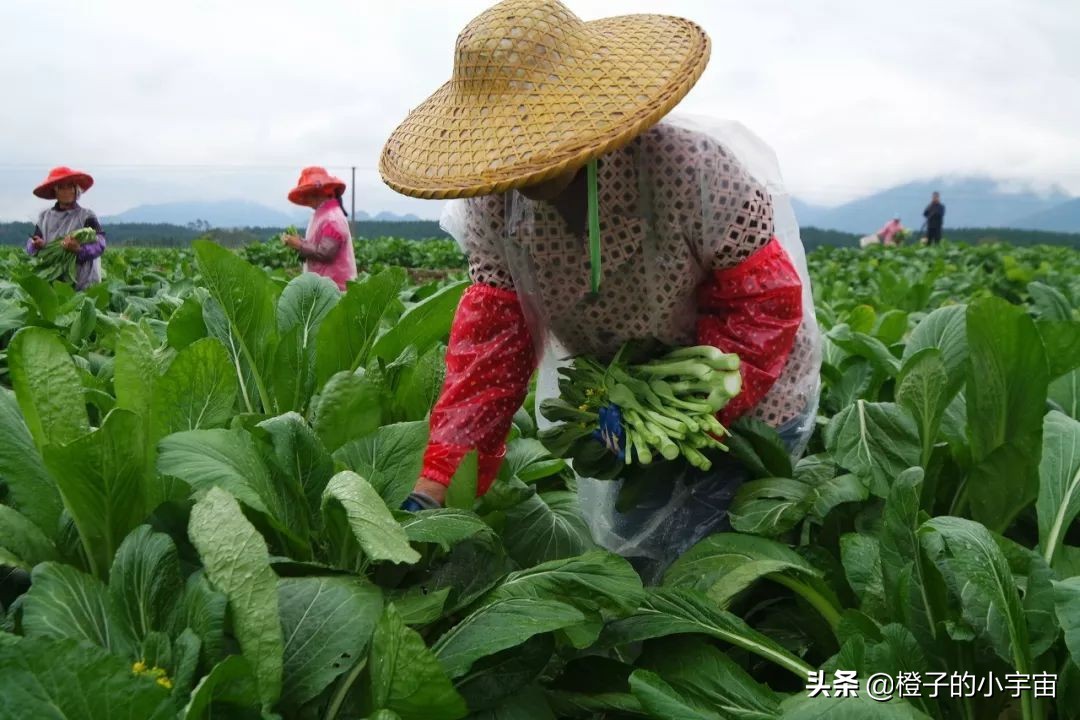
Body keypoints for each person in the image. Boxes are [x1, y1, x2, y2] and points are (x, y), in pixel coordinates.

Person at [381, 0, 821, 580]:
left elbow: (761, 302)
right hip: (619, 421)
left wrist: (679, 409)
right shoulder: (493, 204)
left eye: (537, 129)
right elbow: (491, 350)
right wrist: (438, 480)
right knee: (637, 568)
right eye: (506, 140)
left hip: (745, 399)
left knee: (724, 574)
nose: (524, 162)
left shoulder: (690, 167)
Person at [26, 166, 106, 290]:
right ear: (55, 191)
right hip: (55, 280)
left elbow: (100, 243)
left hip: (85, 282)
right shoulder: (45, 218)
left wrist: (79, 249)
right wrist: (36, 245)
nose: (66, 191)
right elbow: (32, 244)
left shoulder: (86, 216)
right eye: (61, 187)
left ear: (76, 190)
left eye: (70, 186)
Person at [281, 167, 357, 290]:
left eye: (306, 194)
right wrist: (299, 242)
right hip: (325, 286)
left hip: (335, 288)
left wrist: (299, 245)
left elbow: (326, 253)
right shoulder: (323, 215)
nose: (305, 199)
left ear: (315, 193)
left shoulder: (332, 218)